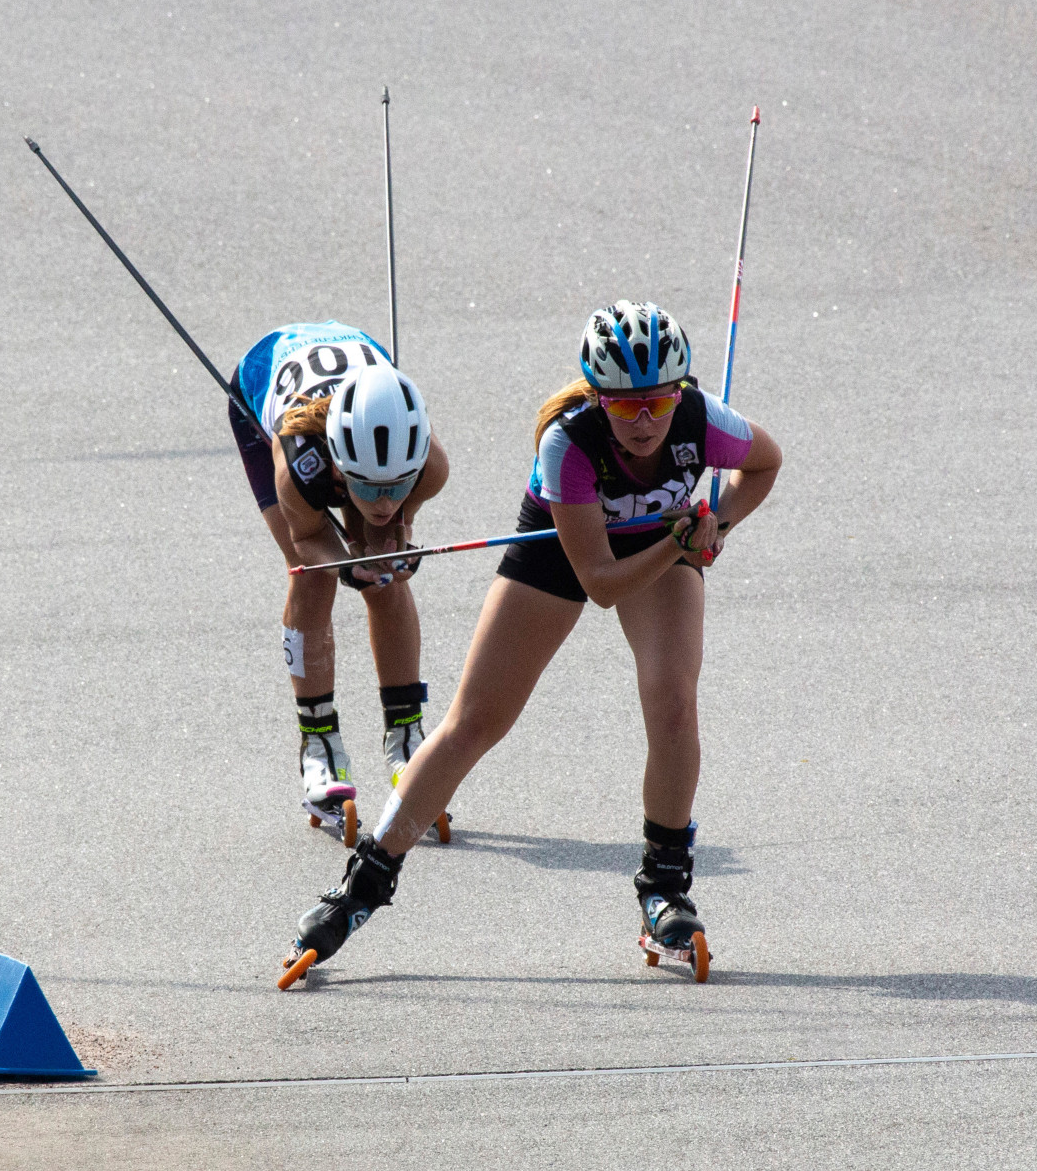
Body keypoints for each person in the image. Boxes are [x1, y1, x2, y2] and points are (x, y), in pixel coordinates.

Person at [282, 302, 782, 979]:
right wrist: (679, 536)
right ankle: (361, 887)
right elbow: (601, 582)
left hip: (664, 547)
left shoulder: (699, 418)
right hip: (570, 548)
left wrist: (715, 523)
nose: (645, 421)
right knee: (474, 722)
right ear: (598, 397)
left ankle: (665, 888)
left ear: (680, 390)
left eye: (659, 401)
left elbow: (767, 460)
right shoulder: (568, 444)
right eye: (625, 406)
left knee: (673, 703)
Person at [227, 322, 448, 842]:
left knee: (386, 579)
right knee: (313, 579)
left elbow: (395, 518)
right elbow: (309, 539)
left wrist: (394, 541)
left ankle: (407, 737)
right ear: (339, 466)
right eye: (367, 488)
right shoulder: (300, 463)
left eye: (397, 485)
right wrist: (345, 563)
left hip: (355, 363)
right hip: (263, 382)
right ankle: (319, 745)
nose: (383, 502)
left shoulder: (430, 466)